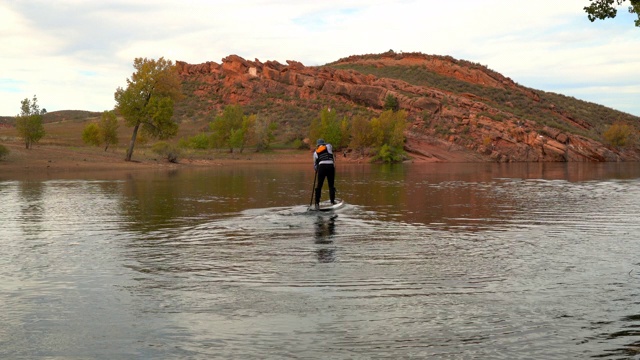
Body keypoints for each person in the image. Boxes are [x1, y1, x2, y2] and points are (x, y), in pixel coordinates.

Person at [313, 138, 336, 209]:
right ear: (323, 144)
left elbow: (315, 166)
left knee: (319, 185)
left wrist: (317, 169)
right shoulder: (329, 146)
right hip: (330, 167)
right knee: (331, 185)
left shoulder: (315, 153)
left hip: (321, 167)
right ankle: (332, 201)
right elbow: (328, 144)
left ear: (317, 145)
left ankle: (317, 203)